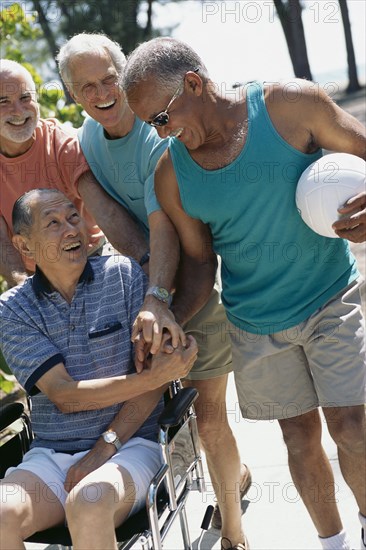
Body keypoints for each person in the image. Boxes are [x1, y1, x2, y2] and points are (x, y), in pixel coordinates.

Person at [121, 37, 366, 550]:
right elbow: (200, 265)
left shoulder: (290, 105)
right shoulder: (171, 174)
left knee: (352, 428)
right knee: (299, 439)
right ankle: (334, 543)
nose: (160, 132)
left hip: (331, 297)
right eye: (151, 125)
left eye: (161, 118)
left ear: (193, 83)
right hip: (255, 323)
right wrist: (168, 314)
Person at [56, 32, 251, 544]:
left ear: (127, 77)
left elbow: (165, 228)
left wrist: (159, 301)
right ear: (72, 95)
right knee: (183, 417)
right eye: (85, 87)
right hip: (148, 297)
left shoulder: (158, 133)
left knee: (208, 418)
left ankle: (234, 532)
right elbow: (117, 224)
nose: (101, 93)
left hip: (193, 283)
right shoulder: (88, 141)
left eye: (108, 79)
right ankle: (237, 477)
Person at [0, 188, 198, 550]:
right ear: (25, 246)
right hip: (51, 456)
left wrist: (106, 446)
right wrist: (151, 377)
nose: (70, 230)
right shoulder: (14, 309)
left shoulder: (122, 276)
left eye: (73, 218)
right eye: (53, 224)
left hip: (133, 445)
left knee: (88, 504)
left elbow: (158, 379)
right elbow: (65, 396)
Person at [0, 60, 104, 288]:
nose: (18, 111)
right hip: (35, 276)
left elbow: (105, 211)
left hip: (91, 260)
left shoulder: (61, 142)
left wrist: (143, 263)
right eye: (4, 102)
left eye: (25, 98)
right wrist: (23, 289)